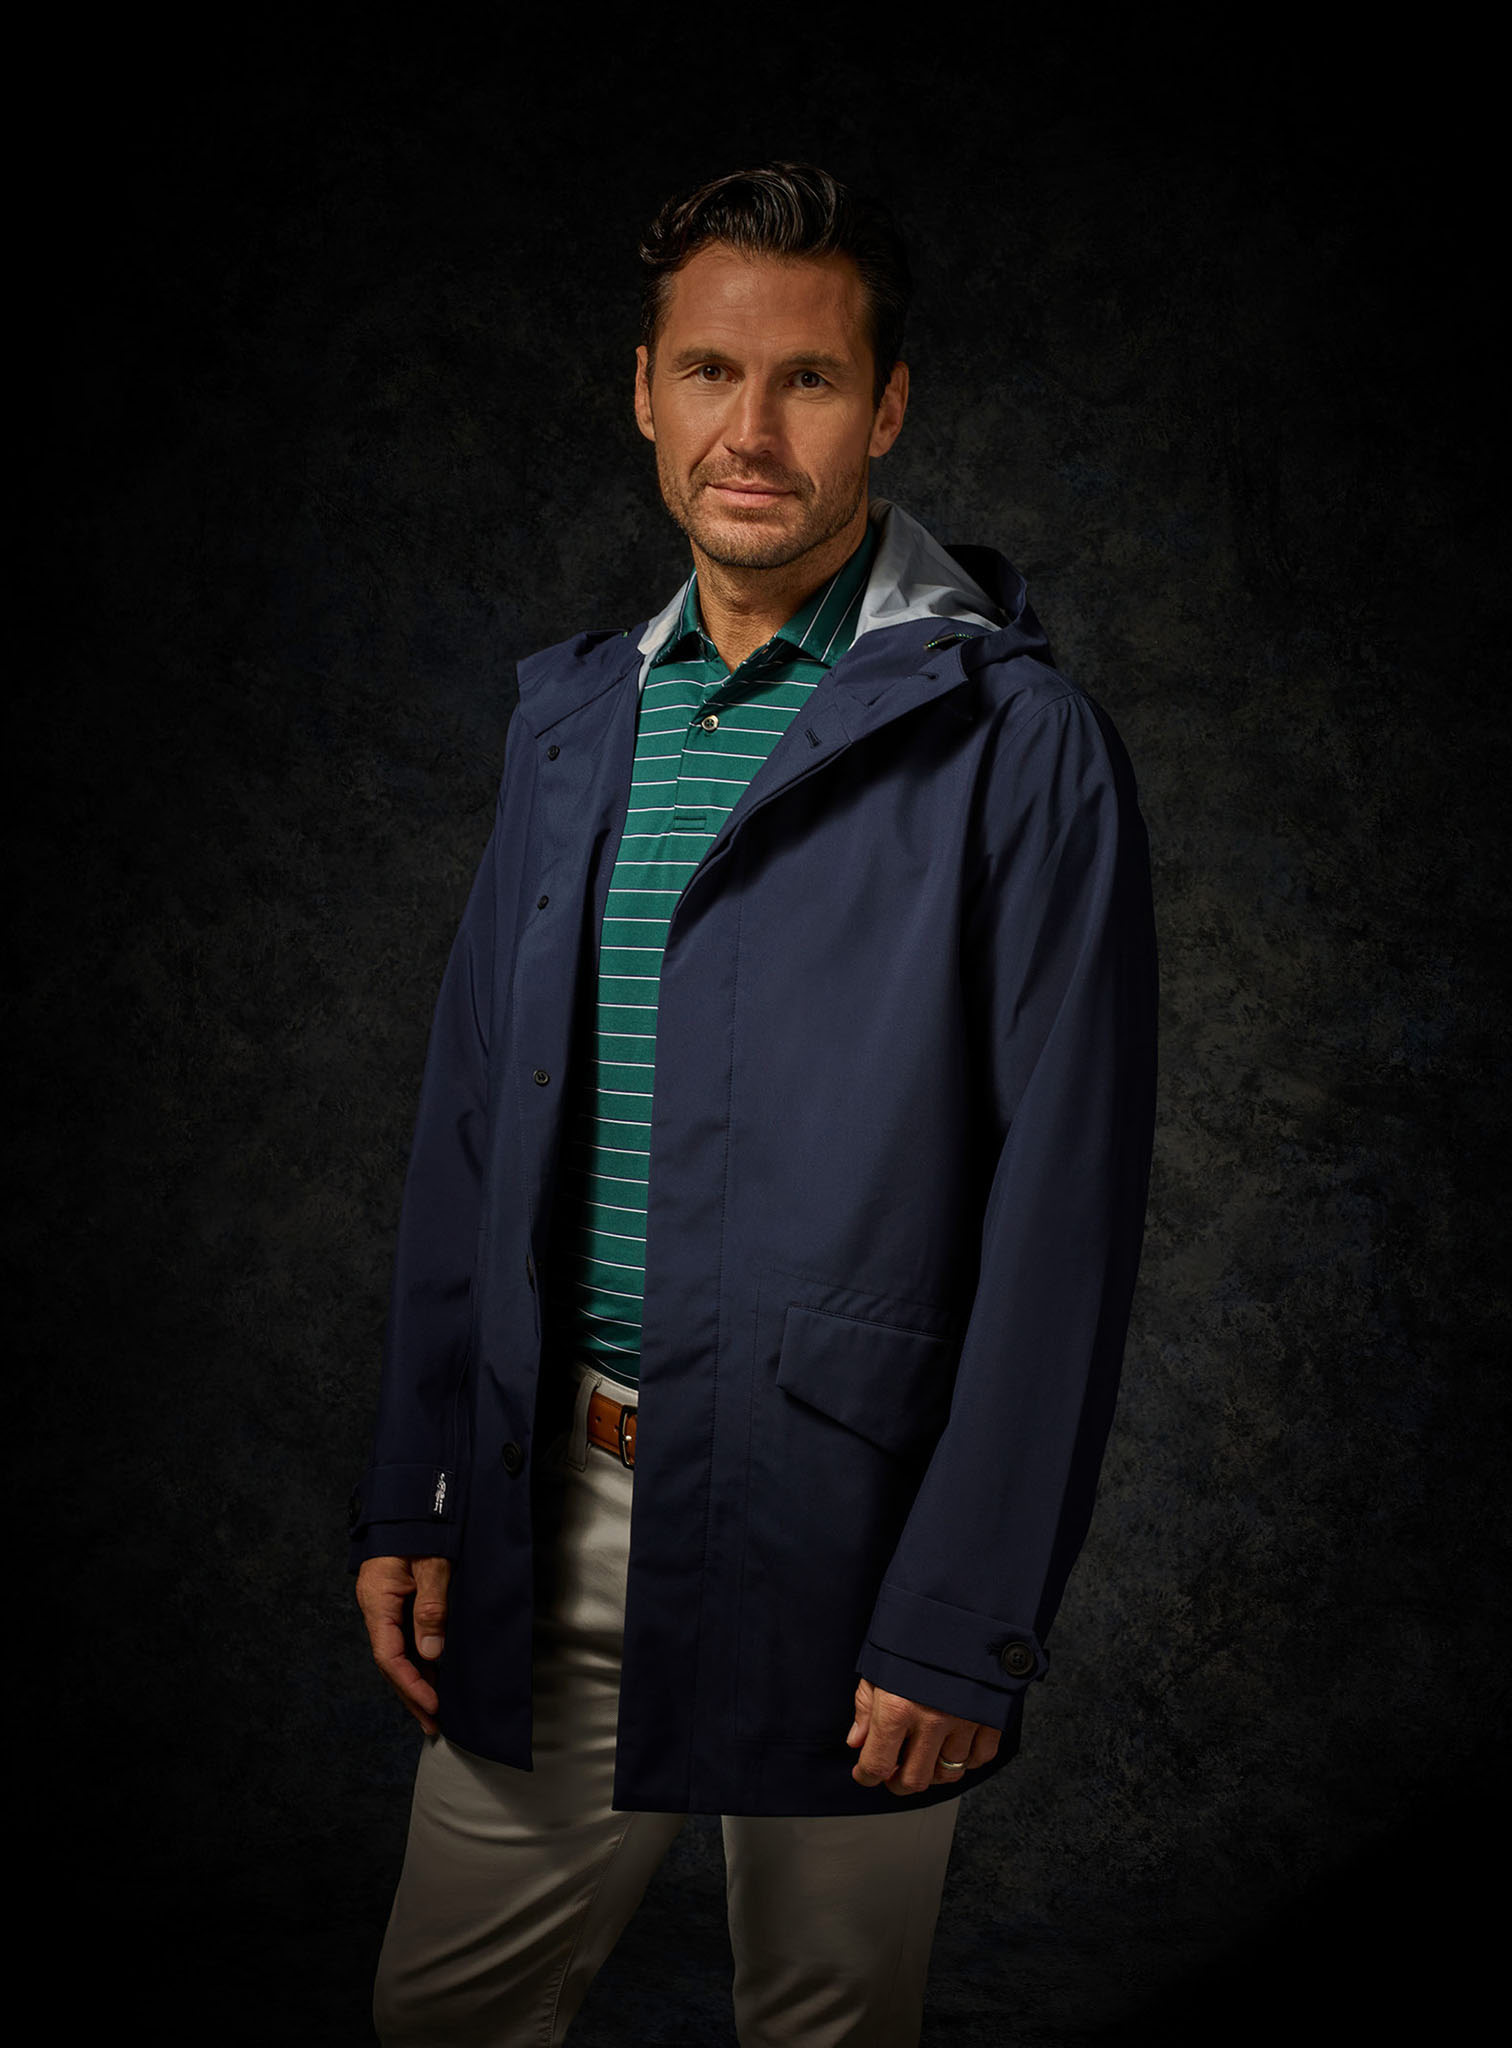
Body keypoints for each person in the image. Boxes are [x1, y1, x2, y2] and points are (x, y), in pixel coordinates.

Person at [351, 159, 1158, 2047]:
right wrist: (420, 1482)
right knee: (443, 2013)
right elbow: (470, 1128)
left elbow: (1065, 1218)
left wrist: (962, 1609)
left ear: (886, 407)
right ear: (645, 391)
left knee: (825, 2024)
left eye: (809, 380)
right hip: (552, 1505)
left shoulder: (1015, 745)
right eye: (712, 372)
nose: (753, 431)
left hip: (845, 1528)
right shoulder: (573, 727)